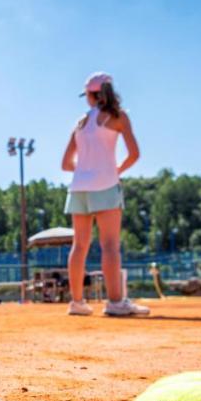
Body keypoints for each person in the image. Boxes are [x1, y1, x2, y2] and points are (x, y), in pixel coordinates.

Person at [61, 73, 150, 317]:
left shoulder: (79, 124)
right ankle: (115, 302)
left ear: (91, 95)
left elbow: (66, 164)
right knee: (109, 245)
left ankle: (77, 303)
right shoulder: (119, 117)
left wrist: (84, 170)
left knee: (79, 246)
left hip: (78, 188)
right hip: (106, 185)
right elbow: (134, 154)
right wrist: (116, 170)